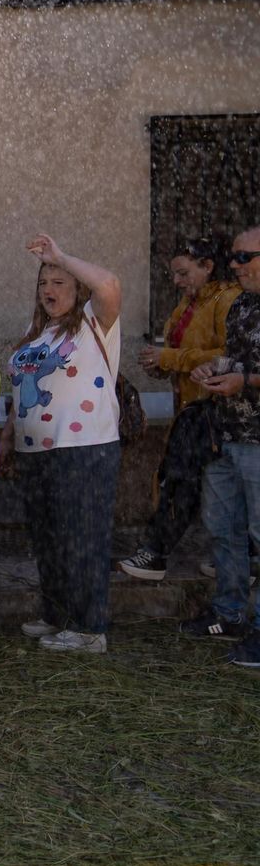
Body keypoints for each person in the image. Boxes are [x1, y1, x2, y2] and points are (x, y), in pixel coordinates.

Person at [0, 235, 123, 654]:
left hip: (84, 447)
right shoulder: (35, 331)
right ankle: (56, 614)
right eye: (43, 283)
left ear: (78, 290)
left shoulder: (94, 321)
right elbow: (20, 391)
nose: (49, 290)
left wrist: (63, 256)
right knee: (49, 538)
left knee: (82, 536)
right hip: (36, 452)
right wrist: (7, 437)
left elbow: (110, 284)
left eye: (60, 283)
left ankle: (90, 629)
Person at [119, 237, 241, 580]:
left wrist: (170, 358)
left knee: (181, 479)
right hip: (192, 407)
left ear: (208, 267)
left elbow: (230, 355)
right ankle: (234, 558)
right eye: (173, 274)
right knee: (202, 484)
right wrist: (159, 365)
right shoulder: (189, 304)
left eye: (183, 273)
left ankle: (157, 552)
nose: (176, 281)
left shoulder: (227, 300)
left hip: (215, 408)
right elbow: (177, 351)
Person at [181, 225, 260, 658]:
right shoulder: (242, 305)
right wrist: (211, 371)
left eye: (245, 257)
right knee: (224, 531)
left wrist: (244, 380)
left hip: (257, 440)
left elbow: (249, 371)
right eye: (234, 257)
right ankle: (229, 614)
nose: (234, 265)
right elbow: (237, 356)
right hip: (225, 434)